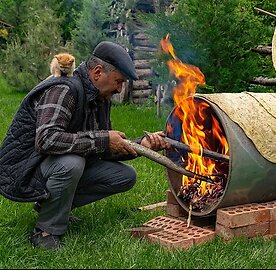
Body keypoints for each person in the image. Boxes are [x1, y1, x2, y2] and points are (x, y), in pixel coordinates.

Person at [0, 41, 170, 250]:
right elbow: (47, 140)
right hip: (24, 169)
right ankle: (46, 231)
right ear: (98, 72)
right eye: (118, 81)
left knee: (125, 176)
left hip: (48, 164)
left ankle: (55, 207)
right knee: (72, 163)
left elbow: (104, 148)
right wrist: (104, 139)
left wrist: (141, 144)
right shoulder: (64, 88)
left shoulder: (99, 98)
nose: (119, 89)